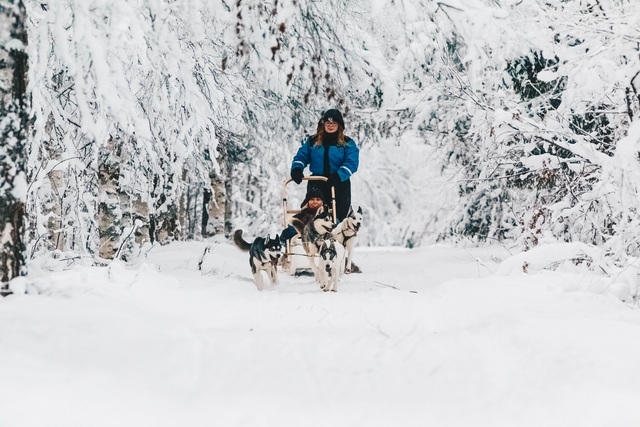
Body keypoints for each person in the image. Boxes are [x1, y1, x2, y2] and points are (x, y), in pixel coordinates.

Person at [289, 109, 359, 222]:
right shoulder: (313, 141)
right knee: (313, 215)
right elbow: (302, 156)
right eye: (328, 123)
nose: (330, 125)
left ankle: (337, 235)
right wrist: (297, 168)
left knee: (338, 217)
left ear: (339, 125)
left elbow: (352, 163)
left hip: (339, 183)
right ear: (323, 124)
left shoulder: (347, 143)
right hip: (317, 182)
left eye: (334, 123)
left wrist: (339, 175)